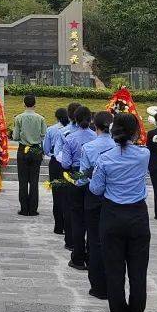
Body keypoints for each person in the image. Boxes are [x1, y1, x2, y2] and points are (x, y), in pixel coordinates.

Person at [89, 112, 151, 312]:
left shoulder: (105, 158)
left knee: (114, 272)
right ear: (136, 132)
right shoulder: (144, 155)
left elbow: (95, 189)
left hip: (113, 215)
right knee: (138, 273)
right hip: (137, 216)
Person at [77, 110, 115, 300]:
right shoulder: (118, 145)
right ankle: (112, 283)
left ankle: (97, 285)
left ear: (95, 124)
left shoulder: (89, 147)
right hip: (114, 197)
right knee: (111, 241)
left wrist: (74, 182)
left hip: (93, 195)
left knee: (94, 240)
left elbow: (83, 176)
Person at [58, 106, 96, 270]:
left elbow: (65, 163)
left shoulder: (71, 138)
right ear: (90, 119)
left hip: (75, 176)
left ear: (74, 118)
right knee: (91, 216)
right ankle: (91, 253)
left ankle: (77, 253)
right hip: (93, 178)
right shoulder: (96, 137)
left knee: (76, 215)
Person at [13, 95, 48, 216]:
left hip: (23, 150)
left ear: (24, 104)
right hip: (35, 150)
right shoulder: (41, 118)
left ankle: (23, 209)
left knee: (23, 181)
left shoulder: (18, 118)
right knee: (34, 181)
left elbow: (15, 137)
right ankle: (33, 209)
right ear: (35, 104)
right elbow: (44, 134)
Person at [43, 108, 70, 237]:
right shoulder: (71, 130)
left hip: (55, 164)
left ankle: (58, 226)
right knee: (68, 195)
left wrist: (52, 154)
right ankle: (68, 225)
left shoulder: (51, 130)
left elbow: (46, 149)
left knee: (57, 194)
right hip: (69, 164)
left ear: (56, 117)